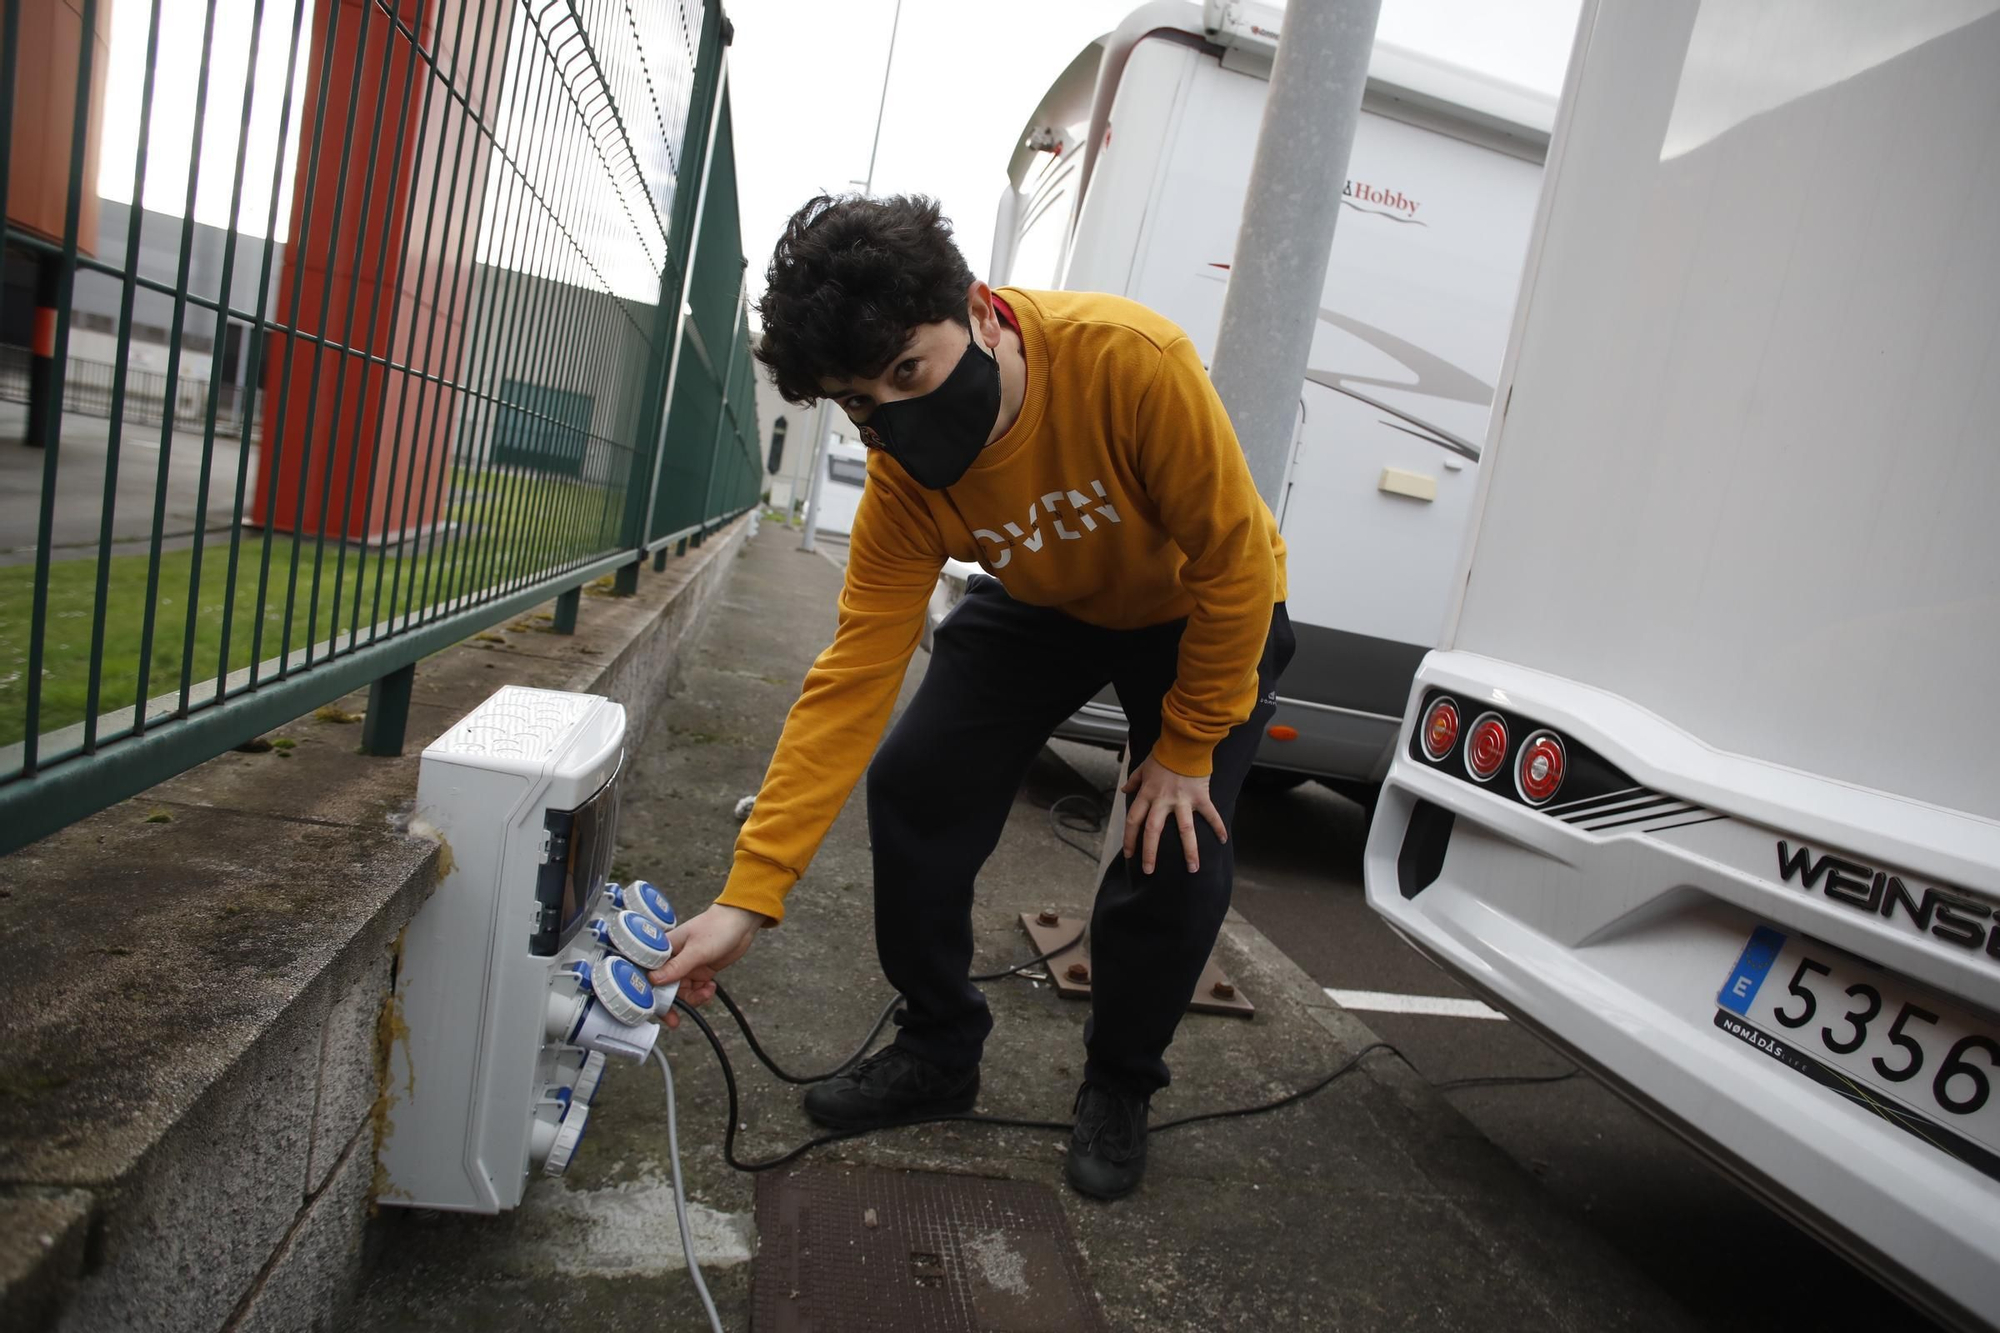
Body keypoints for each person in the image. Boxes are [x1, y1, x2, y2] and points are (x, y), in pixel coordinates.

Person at [652, 194, 1291, 1200]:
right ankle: (940, 1047)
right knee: (914, 779)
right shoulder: (905, 481)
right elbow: (851, 679)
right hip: (1044, 598)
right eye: (862, 402)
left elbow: (1234, 563)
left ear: (982, 312)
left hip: (1193, 607)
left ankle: (1120, 1081)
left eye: (909, 371)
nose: (894, 414)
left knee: (1175, 839)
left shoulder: (1129, 362)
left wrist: (1184, 744)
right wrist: (748, 894)